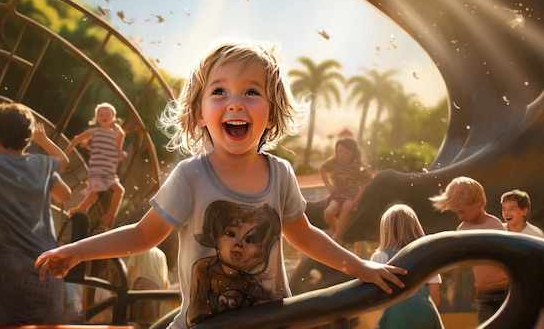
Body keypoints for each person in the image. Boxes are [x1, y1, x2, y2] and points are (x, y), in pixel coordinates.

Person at [35, 40, 407, 329]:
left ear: (272, 111)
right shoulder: (191, 177)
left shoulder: (280, 174)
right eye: (219, 92)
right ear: (199, 112)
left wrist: (361, 267)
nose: (235, 103)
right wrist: (79, 251)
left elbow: (305, 234)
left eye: (251, 91)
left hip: (269, 323)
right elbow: (141, 235)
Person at [0, 103, 71, 324]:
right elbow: (64, 195)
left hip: (9, 268)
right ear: (27, 139)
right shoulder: (40, 165)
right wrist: (43, 145)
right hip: (47, 266)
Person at [429, 176, 509, 324]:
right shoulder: (463, 229)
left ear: (478, 202)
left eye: (462, 212)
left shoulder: (494, 225)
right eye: (456, 213)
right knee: (486, 325)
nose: (460, 217)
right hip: (483, 294)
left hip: (505, 290)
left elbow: (505, 254)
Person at [370, 204, 444, 329]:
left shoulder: (380, 257)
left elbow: (374, 297)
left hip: (396, 315)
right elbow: (435, 294)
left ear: (385, 229)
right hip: (423, 310)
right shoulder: (426, 255)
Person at [64, 102, 126, 231]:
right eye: (101, 114)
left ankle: (110, 217)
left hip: (109, 171)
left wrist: (120, 152)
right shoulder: (94, 132)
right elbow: (77, 139)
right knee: (94, 194)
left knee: (119, 191)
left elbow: (121, 137)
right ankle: (78, 210)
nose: (104, 116)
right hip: (97, 169)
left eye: (108, 114)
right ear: (96, 118)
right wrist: (65, 153)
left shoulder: (115, 134)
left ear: (113, 118)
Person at [319, 137, 372, 244]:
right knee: (328, 212)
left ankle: (336, 237)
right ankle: (338, 234)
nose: (342, 154)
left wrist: (357, 199)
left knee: (347, 207)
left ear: (353, 153)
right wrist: (329, 185)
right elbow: (322, 168)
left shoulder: (358, 165)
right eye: (339, 152)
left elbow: (367, 181)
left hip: (351, 196)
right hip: (337, 195)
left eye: (345, 152)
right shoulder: (334, 161)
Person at [126, 246, 174, 327]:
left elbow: (130, 270)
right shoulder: (161, 254)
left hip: (140, 289)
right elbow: (165, 281)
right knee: (152, 323)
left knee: (137, 322)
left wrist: (128, 289)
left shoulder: (139, 249)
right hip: (156, 292)